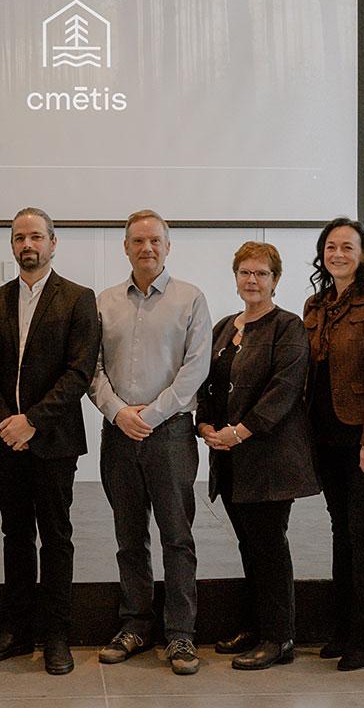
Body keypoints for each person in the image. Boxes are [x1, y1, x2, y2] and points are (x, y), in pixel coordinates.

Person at [0, 207, 101, 675]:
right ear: (11, 244)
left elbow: (79, 371)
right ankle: (16, 629)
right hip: (4, 438)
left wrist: (34, 422)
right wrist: (8, 420)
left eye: (37, 237)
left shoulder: (79, 299)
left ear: (53, 242)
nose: (29, 244)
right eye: (20, 237)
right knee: (14, 533)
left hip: (54, 440)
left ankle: (56, 634)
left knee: (56, 535)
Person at [90, 209, 211, 675]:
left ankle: (181, 636)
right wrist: (119, 413)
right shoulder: (104, 302)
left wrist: (152, 415)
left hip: (171, 434)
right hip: (118, 433)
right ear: (125, 247)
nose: (146, 248)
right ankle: (135, 625)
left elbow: (195, 369)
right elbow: (92, 369)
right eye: (137, 241)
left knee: (176, 536)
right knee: (128, 536)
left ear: (167, 246)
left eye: (155, 241)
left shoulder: (190, 299)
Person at [197, 241, 318, 671]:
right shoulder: (224, 326)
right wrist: (206, 425)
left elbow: (284, 391)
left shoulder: (288, 326)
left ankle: (279, 637)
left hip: (269, 458)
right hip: (230, 457)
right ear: (235, 277)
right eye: (245, 272)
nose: (252, 281)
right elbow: (209, 383)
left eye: (261, 274)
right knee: (248, 544)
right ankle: (257, 625)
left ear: (276, 280)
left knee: (268, 546)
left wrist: (240, 432)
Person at [302, 218, 364, 671]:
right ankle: (342, 628)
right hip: (324, 435)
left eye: (347, 246)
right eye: (330, 246)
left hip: (362, 438)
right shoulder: (316, 303)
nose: (337, 253)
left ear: (363, 255)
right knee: (340, 531)